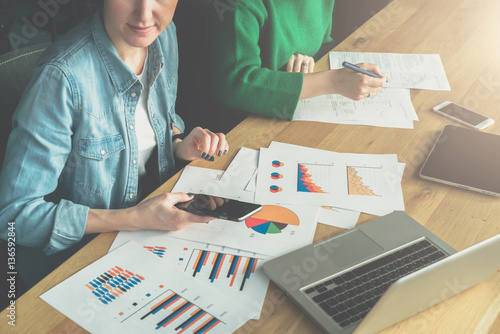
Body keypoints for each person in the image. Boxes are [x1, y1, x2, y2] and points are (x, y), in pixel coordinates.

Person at [0, 0, 228, 289]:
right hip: (75, 265)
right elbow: (13, 215)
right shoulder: (60, 78)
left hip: (150, 235)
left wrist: (177, 144)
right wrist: (133, 218)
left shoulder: (164, 36)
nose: (145, 14)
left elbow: (153, 125)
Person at [210, 0, 388, 131]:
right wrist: (335, 81)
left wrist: (310, 63)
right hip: (247, 126)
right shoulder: (240, 5)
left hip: (300, 115)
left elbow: (322, 44)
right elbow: (236, 84)